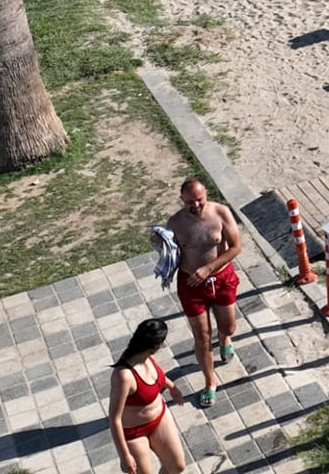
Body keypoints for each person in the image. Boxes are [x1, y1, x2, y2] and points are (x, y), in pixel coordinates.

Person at [165, 177, 242, 409]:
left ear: (205, 194)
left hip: (221, 279)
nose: (196, 205)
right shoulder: (175, 223)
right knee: (202, 337)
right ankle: (210, 382)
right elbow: (168, 252)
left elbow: (236, 247)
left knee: (228, 326)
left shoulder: (221, 213)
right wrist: (159, 245)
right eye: (190, 202)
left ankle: (225, 338)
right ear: (182, 200)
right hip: (191, 284)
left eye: (199, 200)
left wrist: (209, 267)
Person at [108, 318, 187, 474]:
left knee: (177, 466)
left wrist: (172, 387)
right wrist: (124, 456)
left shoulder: (146, 357)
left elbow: (158, 376)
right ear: (154, 347)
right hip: (134, 433)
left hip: (159, 419)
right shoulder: (124, 377)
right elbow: (114, 419)